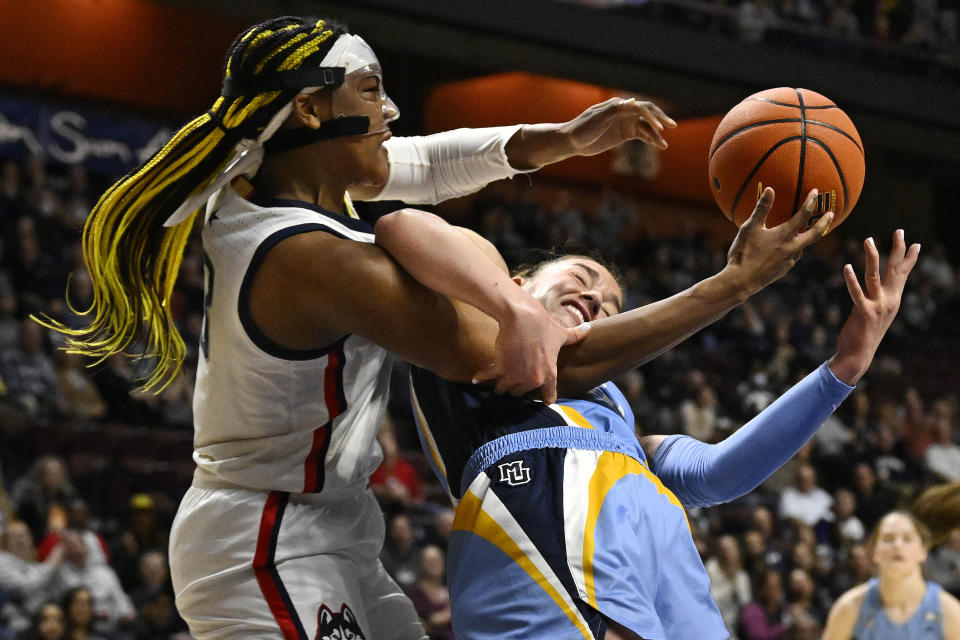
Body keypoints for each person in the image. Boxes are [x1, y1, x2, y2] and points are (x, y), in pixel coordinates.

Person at [35, 14, 733, 639]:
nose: (392, 109)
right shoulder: (313, 258)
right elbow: (541, 360)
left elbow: (428, 163)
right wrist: (735, 284)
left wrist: (567, 138)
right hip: (265, 538)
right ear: (310, 110)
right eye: (371, 91)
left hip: (333, 531)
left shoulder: (277, 171)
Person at [391, 225, 919, 638]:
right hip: (541, 530)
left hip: (664, 572)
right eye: (580, 276)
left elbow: (715, 473)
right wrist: (512, 307)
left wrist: (843, 367)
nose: (596, 297)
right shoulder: (473, 333)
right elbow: (402, 225)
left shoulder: (613, 412)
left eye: (613, 304)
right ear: (520, 280)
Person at [822, 511, 960, 639]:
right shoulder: (850, 606)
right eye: (888, 539)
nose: (897, 545)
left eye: (907, 539)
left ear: (923, 551)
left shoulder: (948, 611)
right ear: (874, 552)